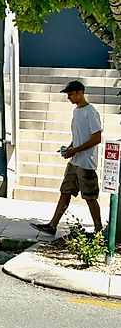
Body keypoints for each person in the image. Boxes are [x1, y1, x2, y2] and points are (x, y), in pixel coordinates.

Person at [31, 80, 103, 237]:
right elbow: (79, 136)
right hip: (75, 160)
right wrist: (70, 148)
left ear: (80, 93)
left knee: (90, 196)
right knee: (65, 191)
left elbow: (97, 138)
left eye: (71, 94)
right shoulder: (76, 111)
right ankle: (52, 225)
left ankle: (98, 231)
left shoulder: (91, 112)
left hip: (86, 163)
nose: (69, 97)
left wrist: (75, 150)